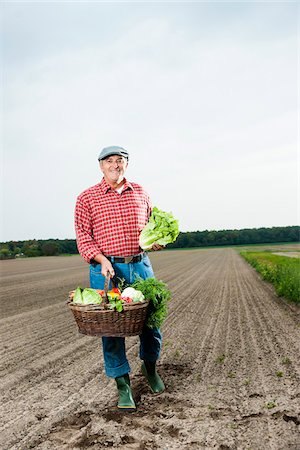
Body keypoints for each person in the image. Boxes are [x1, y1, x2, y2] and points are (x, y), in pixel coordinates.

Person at [74, 145, 165, 411]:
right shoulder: (86, 198)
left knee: (151, 322)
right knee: (111, 329)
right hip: (106, 269)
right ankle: (123, 385)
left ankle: (150, 369)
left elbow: (150, 228)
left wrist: (157, 242)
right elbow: (83, 235)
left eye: (120, 160)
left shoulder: (141, 192)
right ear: (101, 166)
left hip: (140, 267)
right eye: (109, 161)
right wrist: (100, 259)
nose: (115, 165)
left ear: (126, 164)